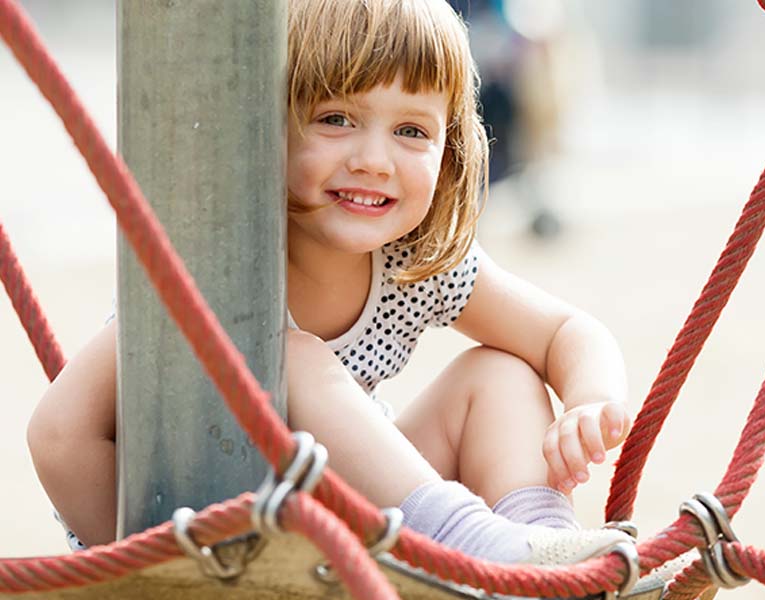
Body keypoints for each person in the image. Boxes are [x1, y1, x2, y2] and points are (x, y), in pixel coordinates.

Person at [27, 0, 633, 565]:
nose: (374, 159)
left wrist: (590, 400)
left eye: (412, 131)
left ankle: (539, 547)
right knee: (291, 357)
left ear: (451, 150)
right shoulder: (219, 265)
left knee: (501, 372)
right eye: (336, 118)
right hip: (214, 537)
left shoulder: (414, 258)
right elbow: (60, 435)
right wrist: (157, 567)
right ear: (270, 126)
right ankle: (472, 542)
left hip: (345, 526)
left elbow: (565, 331)